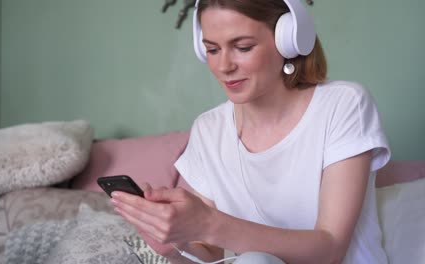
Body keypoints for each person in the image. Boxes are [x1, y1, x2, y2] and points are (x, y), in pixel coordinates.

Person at [110, 0, 391, 263]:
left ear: (288, 40)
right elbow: (207, 253)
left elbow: (330, 248)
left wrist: (208, 222)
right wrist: (173, 239)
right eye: (212, 49)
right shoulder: (209, 129)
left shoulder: (343, 105)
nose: (224, 67)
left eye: (242, 47)